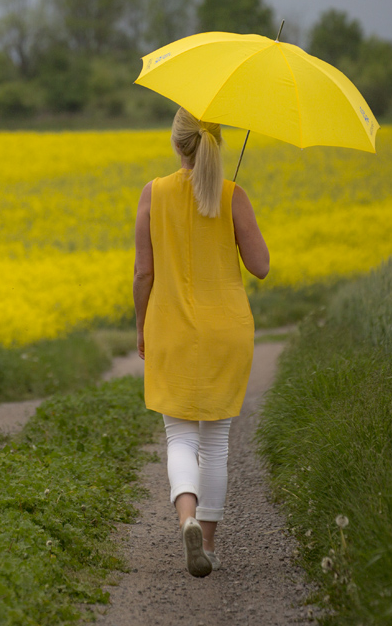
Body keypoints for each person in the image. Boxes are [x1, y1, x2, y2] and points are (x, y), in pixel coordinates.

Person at [133, 106, 269, 578]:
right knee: (215, 443)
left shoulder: (153, 193)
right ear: (219, 143)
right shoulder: (233, 195)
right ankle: (206, 546)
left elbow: (143, 272)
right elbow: (261, 265)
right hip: (227, 331)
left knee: (179, 436)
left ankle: (186, 518)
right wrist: (236, 213)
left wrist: (140, 325)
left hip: (169, 327)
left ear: (178, 143)